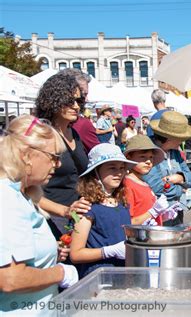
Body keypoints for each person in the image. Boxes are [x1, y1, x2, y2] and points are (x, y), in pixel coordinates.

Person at [0, 115, 78, 314]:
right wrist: (60, 273)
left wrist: (49, 256)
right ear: (26, 154)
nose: (58, 164)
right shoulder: (7, 198)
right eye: (53, 156)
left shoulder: (21, 195)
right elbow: (11, 279)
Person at [35, 73, 92, 239]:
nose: (76, 106)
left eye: (79, 101)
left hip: (74, 217)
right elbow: (24, 189)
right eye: (69, 101)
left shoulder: (73, 132)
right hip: (49, 219)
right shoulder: (41, 135)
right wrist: (64, 211)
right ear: (54, 100)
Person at [69, 143, 136, 278]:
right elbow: (75, 254)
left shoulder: (121, 202)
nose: (119, 173)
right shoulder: (86, 206)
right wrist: (107, 251)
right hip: (99, 276)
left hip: (123, 273)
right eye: (112, 168)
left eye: (122, 168)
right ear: (96, 172)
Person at [143, 111, 191, 226]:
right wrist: (181, 188)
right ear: (169, 139)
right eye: (180, 138)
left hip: (177, 210)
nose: (182, 141)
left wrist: (177, 178)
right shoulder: (149, 154)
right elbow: (158, 188)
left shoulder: (174, 153)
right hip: (159, 216)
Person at [124, 135, 179, 225]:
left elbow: (145, 214)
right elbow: (128, 223)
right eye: (142, 157)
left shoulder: (144, 183)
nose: (148, 161)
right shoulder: (128, 185)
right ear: (129, 158)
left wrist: (163, 216)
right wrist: (153, 212)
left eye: (151, 157)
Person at [62, 68, 100, 154]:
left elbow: (99, 155)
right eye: (83, 95)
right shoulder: (43, 129)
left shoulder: (83, 124)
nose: (86, 99)